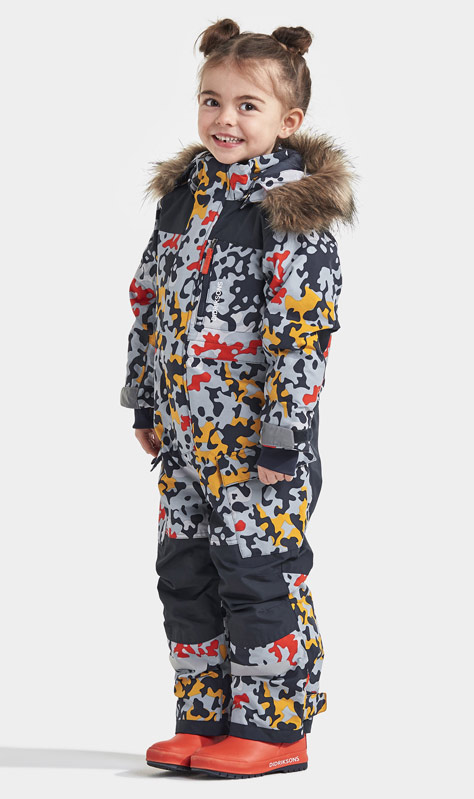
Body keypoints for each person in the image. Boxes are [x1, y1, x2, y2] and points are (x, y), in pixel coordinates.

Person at [120, 17, 357, 779]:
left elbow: (303, 333)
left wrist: (282, 436)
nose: (225, 118)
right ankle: (207, 715)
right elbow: (149, 301)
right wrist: (145, 401)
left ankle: (274, 726)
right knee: (186, 571)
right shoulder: (186, 198)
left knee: (258, 574)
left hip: (259, 448)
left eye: (247, 105)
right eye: (211, 100)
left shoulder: (290, 211)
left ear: (289, 120)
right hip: (186, 441)